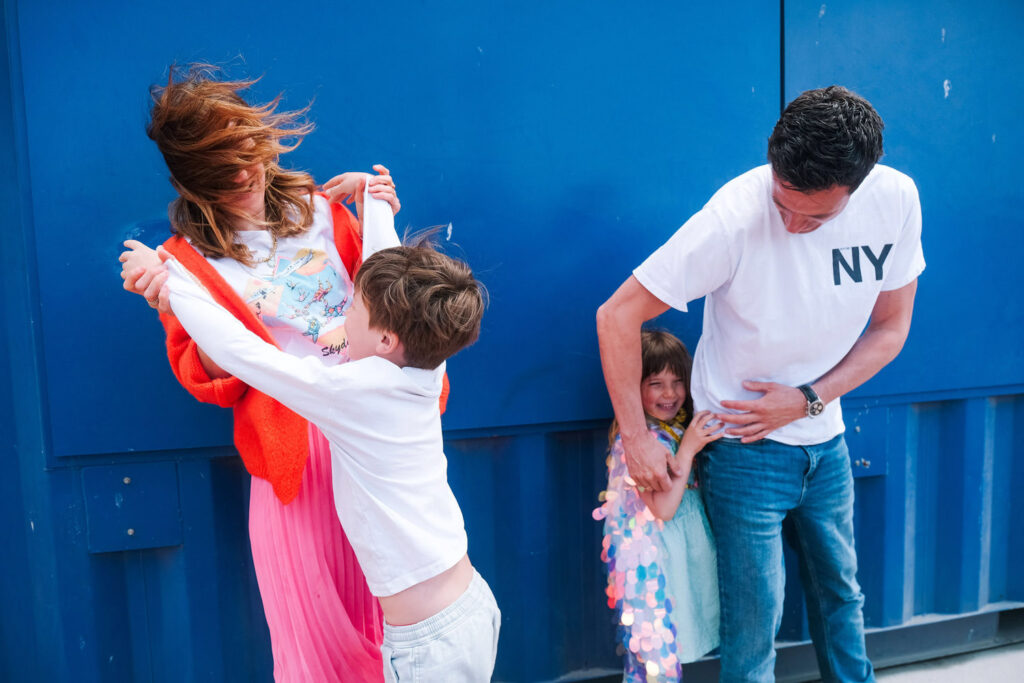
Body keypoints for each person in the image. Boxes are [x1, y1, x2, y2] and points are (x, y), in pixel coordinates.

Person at [597, 86, 924, 682]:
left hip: (826, 443)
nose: (794, 224)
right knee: (755, 622)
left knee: (842, 601)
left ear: (859, 185)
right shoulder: (733, 216)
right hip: (743, 452)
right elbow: (616, 315)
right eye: (783, 203)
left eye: (817, 215)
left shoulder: (897, 199)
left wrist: (806, 399)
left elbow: (892, 328)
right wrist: (641, 441)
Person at [119, 64, 424, 682]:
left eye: (245, 153)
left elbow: (391, 311)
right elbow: (211, 380)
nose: (241, 175)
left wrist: (380, 214)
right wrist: (174, 303)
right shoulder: (186, 262)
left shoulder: (323, 210)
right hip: (292, 462)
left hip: (367, 443)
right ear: (189, 182)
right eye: (219, 171)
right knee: (312, 651)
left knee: (396, 632)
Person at [157, 230, 500, 682]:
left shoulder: (351, 394)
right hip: (469, 605)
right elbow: (384, 265)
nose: (342, 315)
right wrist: (374, 205)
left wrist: (174, 280)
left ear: (384, 341)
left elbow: (241, 353)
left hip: (427, 645)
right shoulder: (427, 365)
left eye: (352, 309)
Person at [594, 330, 721, 682]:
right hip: (653, 562)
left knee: (668, 649)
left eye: (677, 382)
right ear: (634, 390)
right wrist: (690, 448)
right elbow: (663, 508)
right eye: (656, 383)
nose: (669, 394)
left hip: (677, 553)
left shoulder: (673, 428)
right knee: (654, 652)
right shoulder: (640, 444)